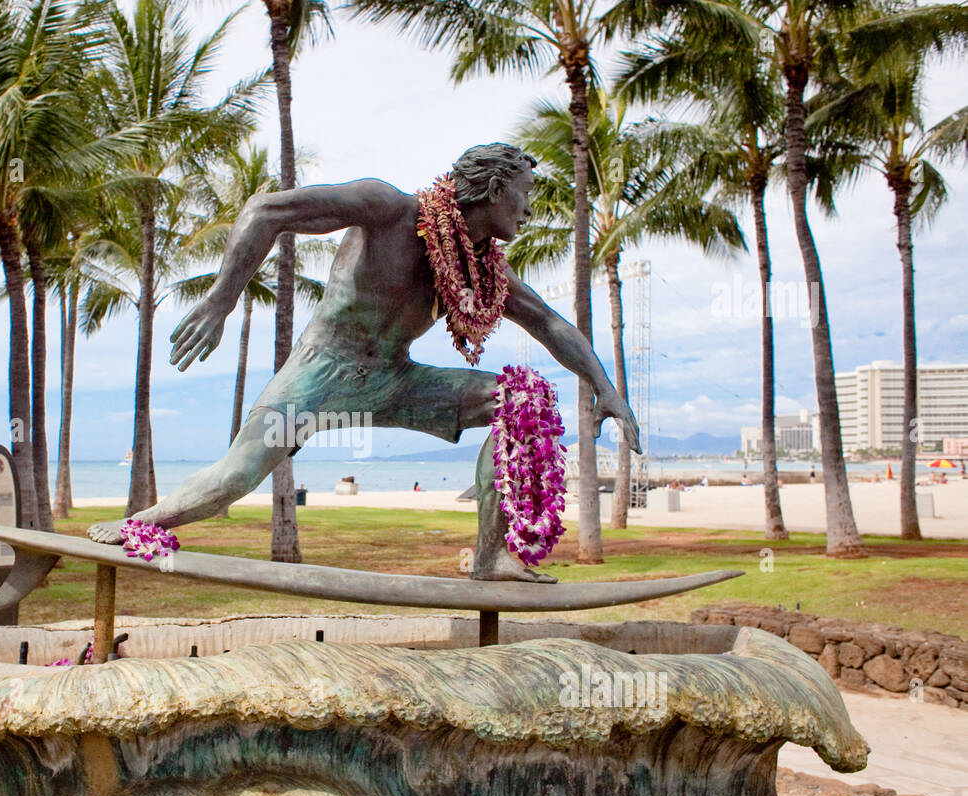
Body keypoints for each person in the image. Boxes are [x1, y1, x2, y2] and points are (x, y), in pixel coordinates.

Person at [85, 143, 639, 584]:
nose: (529, 207)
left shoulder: (483, 271)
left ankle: (491, 556)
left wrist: (606, 389)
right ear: (493, 190)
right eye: (524, 193)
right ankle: (139, 523)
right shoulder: (389, 208)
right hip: (322, 371)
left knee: (520, 399)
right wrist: (222, 298)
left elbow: (548, 323)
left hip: (394, 381)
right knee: (234, 477)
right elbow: (267, 211)